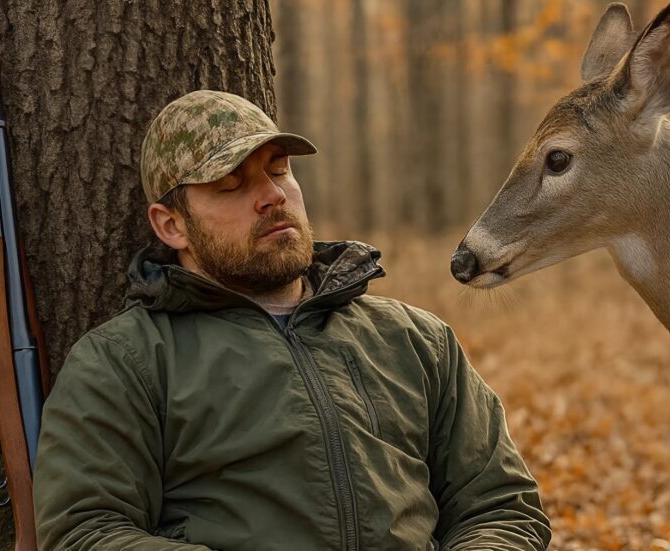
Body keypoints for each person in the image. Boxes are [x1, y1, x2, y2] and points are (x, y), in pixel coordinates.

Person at [33, 90, 551, 551]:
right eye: (231, 185)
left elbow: (500, 506)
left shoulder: (414, 340)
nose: (273, 196)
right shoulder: (127, 361)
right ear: (172, 225)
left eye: (278, 170)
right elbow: (85, 529)